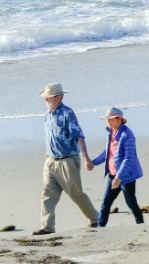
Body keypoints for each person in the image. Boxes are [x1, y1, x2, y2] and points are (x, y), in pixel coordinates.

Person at [33, 83, 100, 235]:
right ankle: (47, 227)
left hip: (68, 160)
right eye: (45, 98)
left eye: (48, 97)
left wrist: (85, 158)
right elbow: (50, 137)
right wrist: (47, 155)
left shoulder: (68, 113)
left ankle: (95, 218)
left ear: (59, 97)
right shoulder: (47, 115)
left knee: (76, 193)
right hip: (50, 161)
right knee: (47, 194)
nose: (46, 100)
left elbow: (79, 136)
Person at [89, 107, 145, 227]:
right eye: (106, 119)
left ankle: (141, 226)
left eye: (110, 119)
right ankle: (100, 228)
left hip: (126, 177)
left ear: (118, 119)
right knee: (105, 203)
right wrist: (93, 163)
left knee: (131, 203)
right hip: (112, 176)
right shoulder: (110, 132)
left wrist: (119, 176)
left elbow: (128, 158)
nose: (108, 122)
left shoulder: (127, 135)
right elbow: (107, 152)